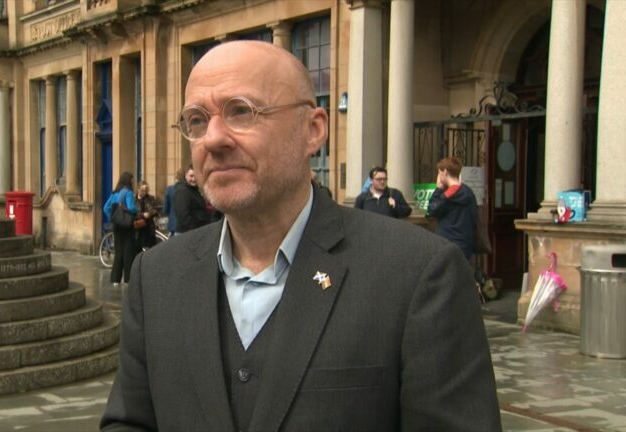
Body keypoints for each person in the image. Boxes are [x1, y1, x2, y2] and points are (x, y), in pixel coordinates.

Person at [101, 41, 501, 432]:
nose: (213, 139)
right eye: (197, 120)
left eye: (241, 111)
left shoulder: (419, 275)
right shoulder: (155, 276)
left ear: (313, 130)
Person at [427, 157, 479, 261]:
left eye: (439, 173)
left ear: (445, 172)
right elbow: (474, 219)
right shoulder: (469, 192)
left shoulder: (448, 193)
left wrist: (438, 189)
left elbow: (432, 209)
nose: (438, 177)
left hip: (447, 244)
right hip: (465, 244)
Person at [102, 172, 138, 285]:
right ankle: (128, 279)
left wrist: (114, 218)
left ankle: (115, 279)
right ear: (129, 180)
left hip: (117, 226)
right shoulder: (128, 193)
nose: (134, 181)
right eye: (132, 179)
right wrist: (135, 211)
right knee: (128, 252)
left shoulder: (115, 193)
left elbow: (105, 208)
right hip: (127, 226)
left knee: (118, 252)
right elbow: (132, 208)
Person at [172, 164, 210, 234]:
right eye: (191, 176)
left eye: (196, 176)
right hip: (187, 233)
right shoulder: (182, 191)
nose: (194, 179)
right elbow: (183, 216)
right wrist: (196, 229)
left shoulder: (194, 189)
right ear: (186, 175)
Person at [135, 180, 159, 250]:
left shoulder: (150, 198)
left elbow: (155, 210)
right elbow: (133, 212)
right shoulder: (134, 199)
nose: (144, 192)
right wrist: (142, 214)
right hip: (138, 228)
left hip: (148, 226)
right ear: (138, 189)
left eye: (146, 190)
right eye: (142, 190)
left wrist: (150, 213)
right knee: (138, 248)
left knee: (150, 248)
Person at [162, 168, 184, 236]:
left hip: (173, 223)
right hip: (187, 225)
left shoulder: (170, 189)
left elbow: (165, 208)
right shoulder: (189, 189)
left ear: (176, 177)